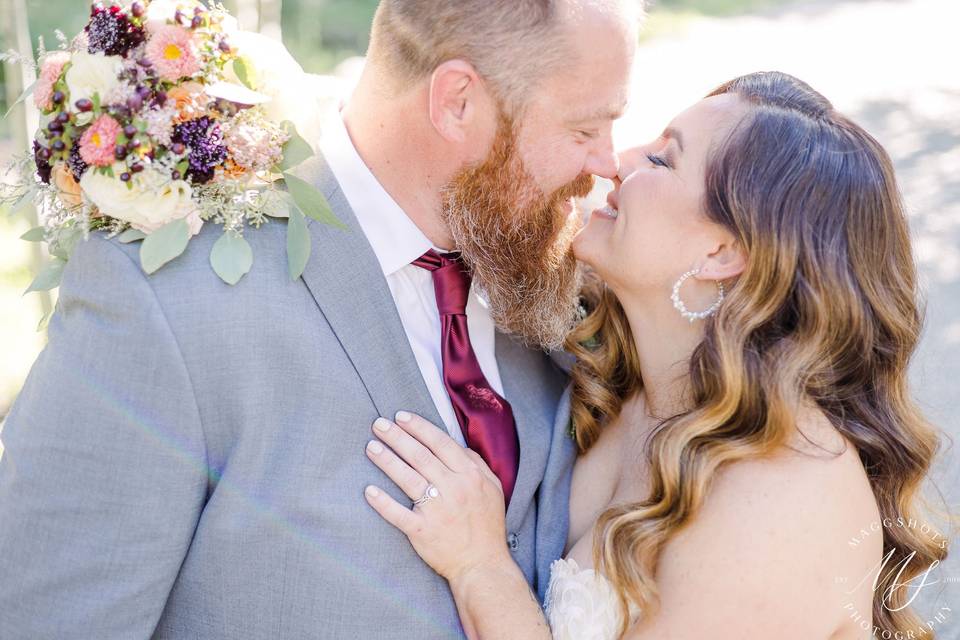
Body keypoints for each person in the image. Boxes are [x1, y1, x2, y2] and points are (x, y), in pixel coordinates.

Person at [0, 1, 640, 638]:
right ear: (457, 102)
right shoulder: (165, 303)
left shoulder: (545, 281)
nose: (608, 164)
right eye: (585, 130)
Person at [363, 71, 948, 639]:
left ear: (722, 252)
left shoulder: (784, 503)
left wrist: (478, 566)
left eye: (664, 160)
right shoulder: (626, 378)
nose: (619, 161)